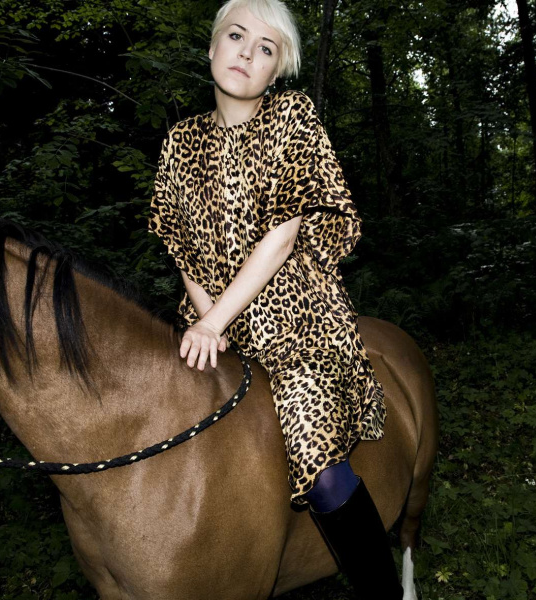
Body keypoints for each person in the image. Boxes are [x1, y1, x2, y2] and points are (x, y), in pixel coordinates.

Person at [148, 0, 403, 597]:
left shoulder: (293, 117)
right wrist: (208, 321)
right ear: (212, 47)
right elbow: (180, 248)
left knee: (319, 460)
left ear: (277, 68)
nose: (246, 53)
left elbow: (282, 237)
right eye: (236, 36)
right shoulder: (179, 142)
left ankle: (382, 593)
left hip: (297, 320)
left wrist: (215, 323)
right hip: (208, 315)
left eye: (265, 48)